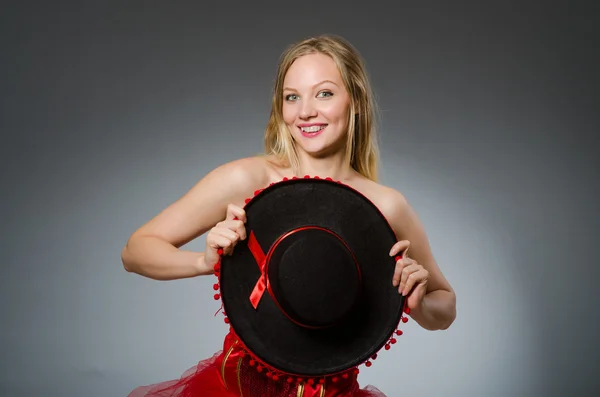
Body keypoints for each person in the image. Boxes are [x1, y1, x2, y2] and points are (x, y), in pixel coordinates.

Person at [122, 34, 457, 397]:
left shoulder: (385, 206)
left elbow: (445, 305)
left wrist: (420, 302)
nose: (305, 112)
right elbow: (136, 251)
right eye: (292, 97)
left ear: (356, 100)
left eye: (324, 93)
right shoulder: (249, 180)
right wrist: (203, 263)